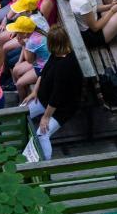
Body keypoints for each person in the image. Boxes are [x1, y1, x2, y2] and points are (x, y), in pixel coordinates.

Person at [21, 25, 83, 160]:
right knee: (20, 112)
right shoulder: (56, 55)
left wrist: (46, 117)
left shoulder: (66, 65)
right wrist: (34, 92)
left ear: (53, 44)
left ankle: (46, 165)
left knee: (42, 134)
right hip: (43, 99)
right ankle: (22, 145)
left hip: (62, 108)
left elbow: (57, 95)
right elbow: (43, 73)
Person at [8, 16, 50, 100]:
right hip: (39, 61)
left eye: (17, 31)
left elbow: (30, 60)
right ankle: (22, 92)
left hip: (44, 68)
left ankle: (22, 103)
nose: (16, 33)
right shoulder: (36, 31)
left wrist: (23, 44)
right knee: (16, 70)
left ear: (25, 33)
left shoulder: (32, 42)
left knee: (19, 83)